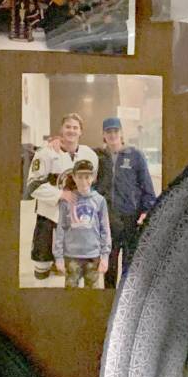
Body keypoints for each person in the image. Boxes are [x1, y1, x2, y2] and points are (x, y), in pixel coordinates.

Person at [25, 113, 99, 280]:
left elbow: (93, 182)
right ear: (61, 129)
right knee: (42, 271)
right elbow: (32, 185)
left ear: (81, 131)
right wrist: (60, 194)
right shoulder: (46, 152)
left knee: (71, 269)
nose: (71, 130)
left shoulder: (90, 155)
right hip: (49, 216)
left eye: (75, 127)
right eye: (68, 127)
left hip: (75, 218)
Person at [97, 117, 157, 289]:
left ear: (121, 133)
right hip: (108, 219)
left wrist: (146, 210)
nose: (112, 135)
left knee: (129, 264)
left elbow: (147, 186)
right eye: (108, 131)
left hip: (131, 218)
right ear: (103, 135)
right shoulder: (98, 157)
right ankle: (109, 296)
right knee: (109, 263)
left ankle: (124, 298)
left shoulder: (135, 155)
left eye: (115, 131)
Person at [53, 160, 111, 289]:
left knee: (92, 295)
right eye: (79, 177)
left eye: (87, 177)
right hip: (71, 256)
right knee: (71, 294)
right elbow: (60, 229)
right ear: (73, 177)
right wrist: (59, 258)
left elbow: (105, 230)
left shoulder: (99, 200)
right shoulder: (66, 201)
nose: (83, 181)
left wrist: (105, 257)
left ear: (93, 177)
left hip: (93, 257)